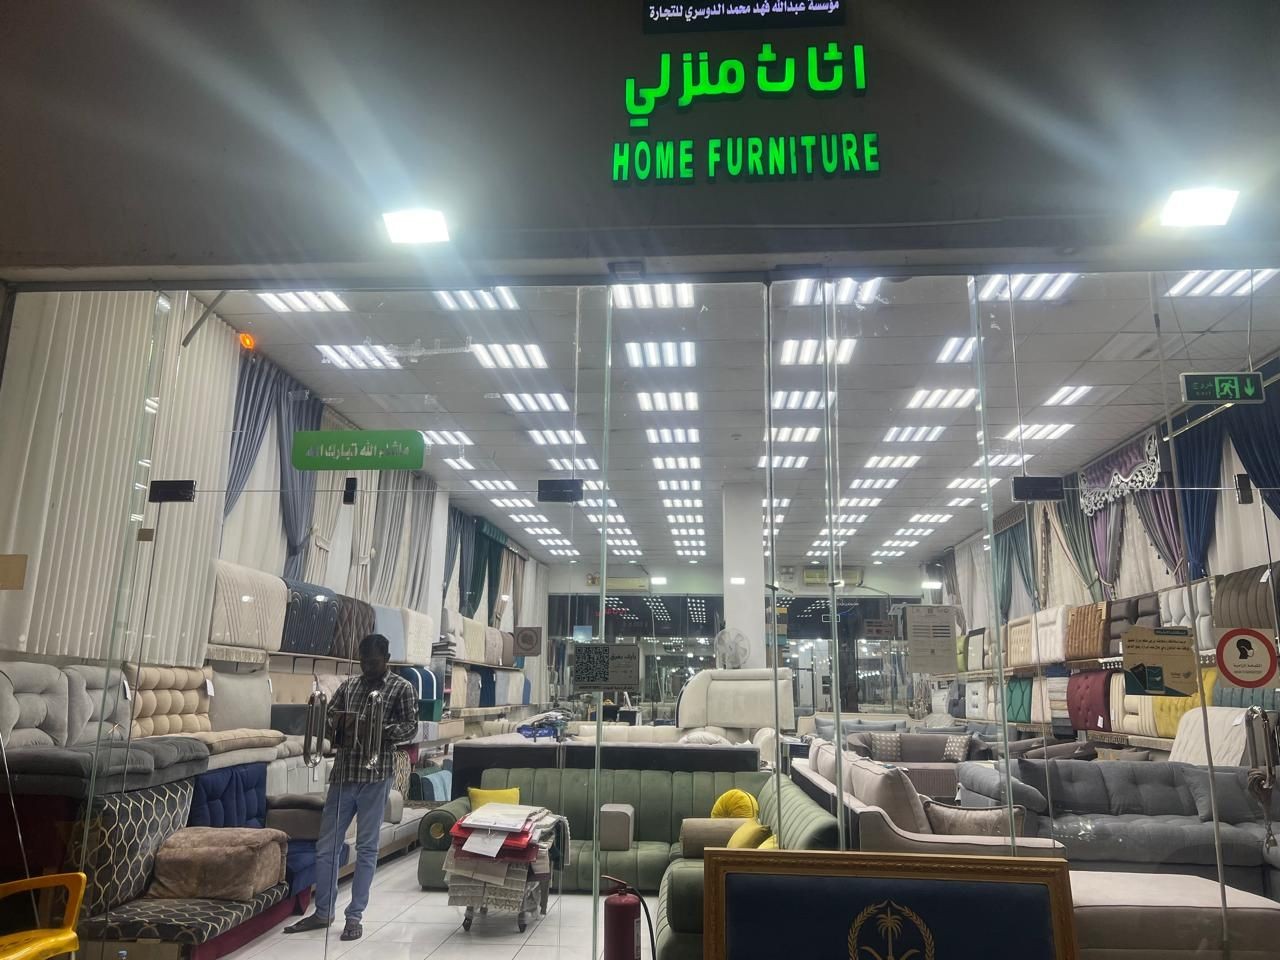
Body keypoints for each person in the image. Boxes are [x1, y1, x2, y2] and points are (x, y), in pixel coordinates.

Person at [284, 633, 417, 941]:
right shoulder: (349, 686)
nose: (367, 668)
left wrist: (377, 729)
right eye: (363, 662)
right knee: (326, 846)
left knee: (367, 848)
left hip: (375, 775)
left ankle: (354, 916)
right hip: (344, 774)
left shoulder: (402, 688)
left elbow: (410, 726)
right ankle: (322, 911)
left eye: (373, 663)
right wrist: (335, 723)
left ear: (386, 659)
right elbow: (330, 718)